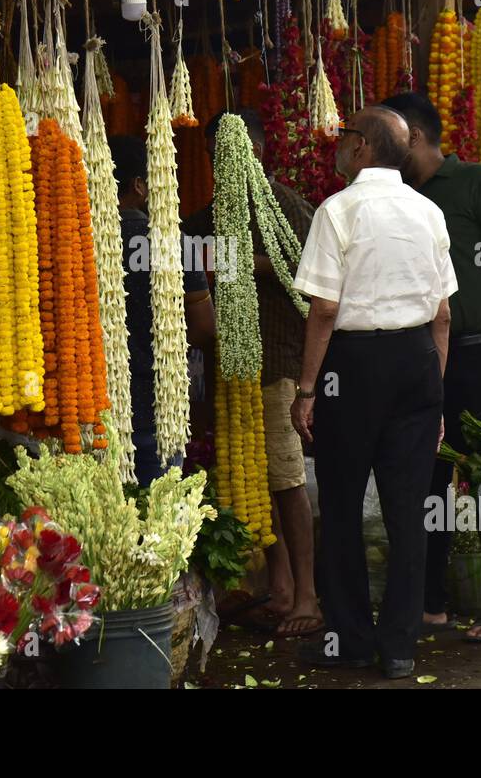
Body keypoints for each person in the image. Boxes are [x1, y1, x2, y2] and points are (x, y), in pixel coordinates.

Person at [290, 106, 456, 679]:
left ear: (361, 146)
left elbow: (325, 309)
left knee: (339, 507)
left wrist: (308, 388)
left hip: (353, 367)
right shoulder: (428, 211)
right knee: (408, 511)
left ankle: (352, 642)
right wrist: (434, 388)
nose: (338, 144)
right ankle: (402, 648)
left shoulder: (338, 211)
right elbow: (442, 315)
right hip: (415, 362)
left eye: (343, 135)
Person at [380, 92, 481, 645]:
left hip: (479, 354)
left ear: (413, 137)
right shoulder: (391, 194)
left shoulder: (479, 184)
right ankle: (430, 604)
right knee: (425, 480)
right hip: (418, 356)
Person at [183, 110, 322, 639]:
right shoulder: (210, 214)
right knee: (255, 480)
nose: (222, 166)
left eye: (230, 154)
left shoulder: (285, 207)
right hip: (231, 365)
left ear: (256, 152)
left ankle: (307, 595)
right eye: (214, 158)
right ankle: (280, 587)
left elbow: (312, 274)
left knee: (286, 479)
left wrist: (240, 263)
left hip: (278, 363)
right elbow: (186, 251)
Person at [109, 135, 216, 486]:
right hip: (160, 406)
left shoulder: (84, 240)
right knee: (159, 524)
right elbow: (204, 328)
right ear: (139, 185)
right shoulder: (173, 244)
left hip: (100, 409)